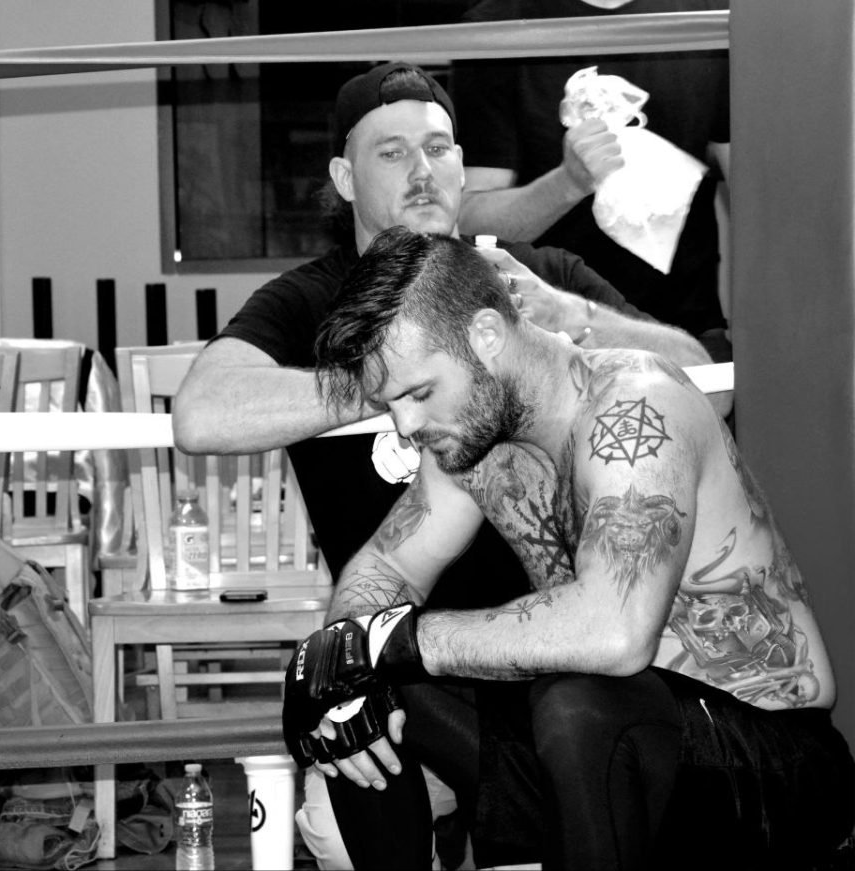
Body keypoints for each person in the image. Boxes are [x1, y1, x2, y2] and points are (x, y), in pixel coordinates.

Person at [173, 60, 723, 868]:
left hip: (569, 663)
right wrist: (400, 372)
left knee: (572, 740)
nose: (422, 170)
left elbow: (701, 378)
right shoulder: (311, 300)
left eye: (439, 147)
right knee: (345, 777)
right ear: (343, 176)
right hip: (418, 672)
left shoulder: (525, 280)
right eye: (391, 153)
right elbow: (202, 411)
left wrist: (567, 317)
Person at [283, 226, 854, 870]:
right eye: (392, 405)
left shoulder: (635, 411)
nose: (407, 426)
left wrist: (397, 640)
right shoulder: (473, 441)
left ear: (487, 336)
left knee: (577, 698)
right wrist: (342, 664)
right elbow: (389, 565)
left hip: (766, 769)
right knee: (361, 693)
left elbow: (616, 634)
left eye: (418, 393)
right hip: (601, 757)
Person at [451, 0, 733, 362]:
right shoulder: (496, 25)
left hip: (687, 334)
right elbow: (469, 222)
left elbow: (763, 193)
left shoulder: (711, 14)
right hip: (543, 344)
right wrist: (567, 183)